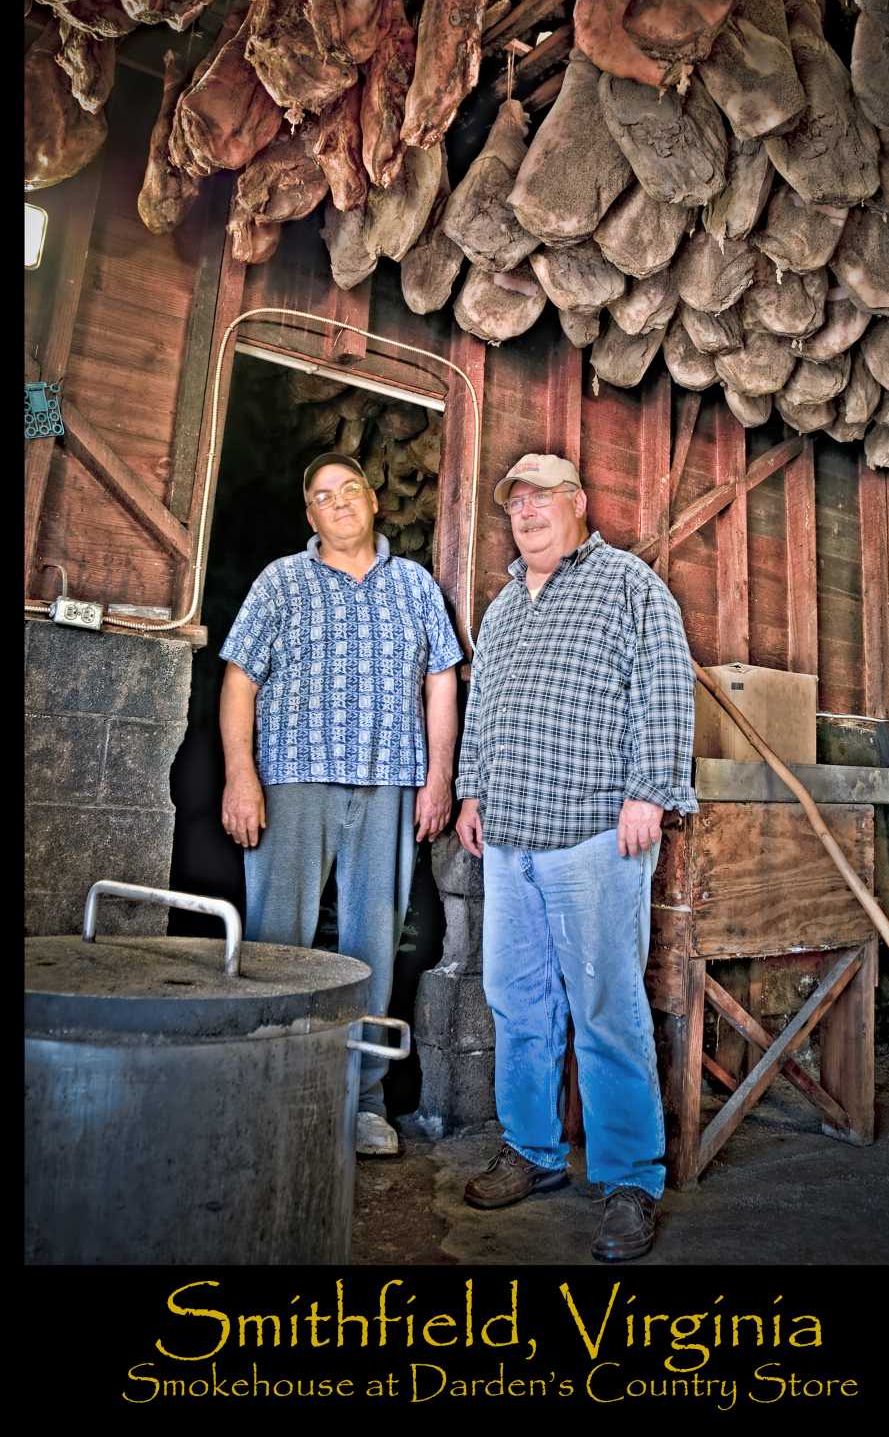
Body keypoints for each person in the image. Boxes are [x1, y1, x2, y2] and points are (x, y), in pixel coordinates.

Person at [455, 453, 698, 1261]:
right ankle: (532, 1150)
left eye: (540, 499)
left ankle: (630, 1179)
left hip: (595, 829)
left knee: (605, 1007)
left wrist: (650, 791)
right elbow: (482, 708)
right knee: (517, 1002)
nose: (525, 513)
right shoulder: (501, 607)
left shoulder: (627, 583)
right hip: (510, 834)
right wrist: (470, 791)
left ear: (578, 504)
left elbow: (664, 687)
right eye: (514, 504)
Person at [220, 450, 462, 1157]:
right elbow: (239, 682)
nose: (339, 502)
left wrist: (439, 778)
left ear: (373, 500)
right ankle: (266, 1094)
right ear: (310, 515)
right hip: (292, 780)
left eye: (349, 488)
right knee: (276, 943)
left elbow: (441, 682)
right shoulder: (280, 582)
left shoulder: (414, 585)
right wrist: (240, 777)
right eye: (323, 496)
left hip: (388, 784)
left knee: (371, 948)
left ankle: (363, 1103)